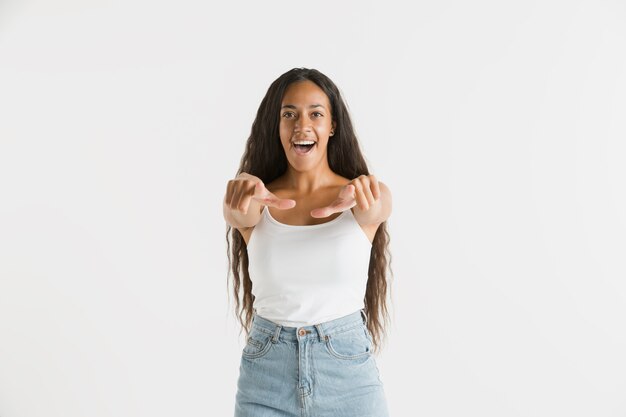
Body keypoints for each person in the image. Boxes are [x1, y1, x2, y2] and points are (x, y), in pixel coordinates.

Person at [223, 67, 393, 417]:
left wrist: (369, 199)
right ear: (278, 126)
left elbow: (380, 205)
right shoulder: (258, 202)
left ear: (332, 126)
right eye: (289, 115)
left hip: (347, 377)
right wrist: (236, 203)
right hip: (265, 378)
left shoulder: (363, 200)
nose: (302, 125)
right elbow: (239, 216)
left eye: (316, 113)